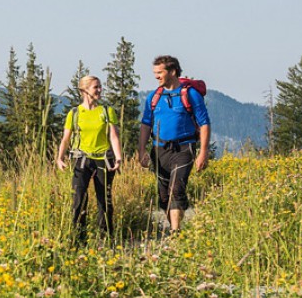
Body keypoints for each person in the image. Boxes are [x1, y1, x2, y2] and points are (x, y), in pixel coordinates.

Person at [137, 55, 210, 234]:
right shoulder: (154, 97)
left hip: (184, 147)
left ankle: (175, 232)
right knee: (163, 196)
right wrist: (141, 150)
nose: (156, 76)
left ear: (173, 71)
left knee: (176, 188)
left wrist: (203, 152)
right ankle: (173, 225)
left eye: (159, 72)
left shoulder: (190, 94)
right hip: (159, 148)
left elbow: (204, 123)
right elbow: (146, 124)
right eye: (154, 73)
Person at [56, 75, 123, 246]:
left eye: (100, 86)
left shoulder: (106, 111)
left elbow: (114, 136)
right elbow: (66, 138)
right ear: (84, 90)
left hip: (103, 159)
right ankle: (78, 240)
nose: (100, 90)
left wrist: (118, 157)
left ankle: (106, 239)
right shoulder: (75, 113)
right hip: (81, 159)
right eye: (96, 87)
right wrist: (60, 157)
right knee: (79, 199)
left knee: (104, 201)